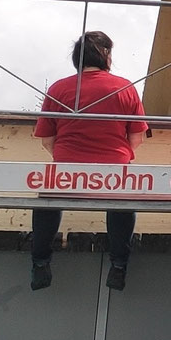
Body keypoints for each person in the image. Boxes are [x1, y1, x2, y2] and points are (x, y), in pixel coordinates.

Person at [30, 31, 147, 292]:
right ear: (106, 55)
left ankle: (40, 262)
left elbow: (46, 140)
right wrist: (117, 156)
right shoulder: (125, 88)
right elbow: (137, 137)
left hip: (67, 169)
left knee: (46, 201)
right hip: (114, 170)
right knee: (123, 203)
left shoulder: (58, 89)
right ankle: (118, 265)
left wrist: (69, 157)